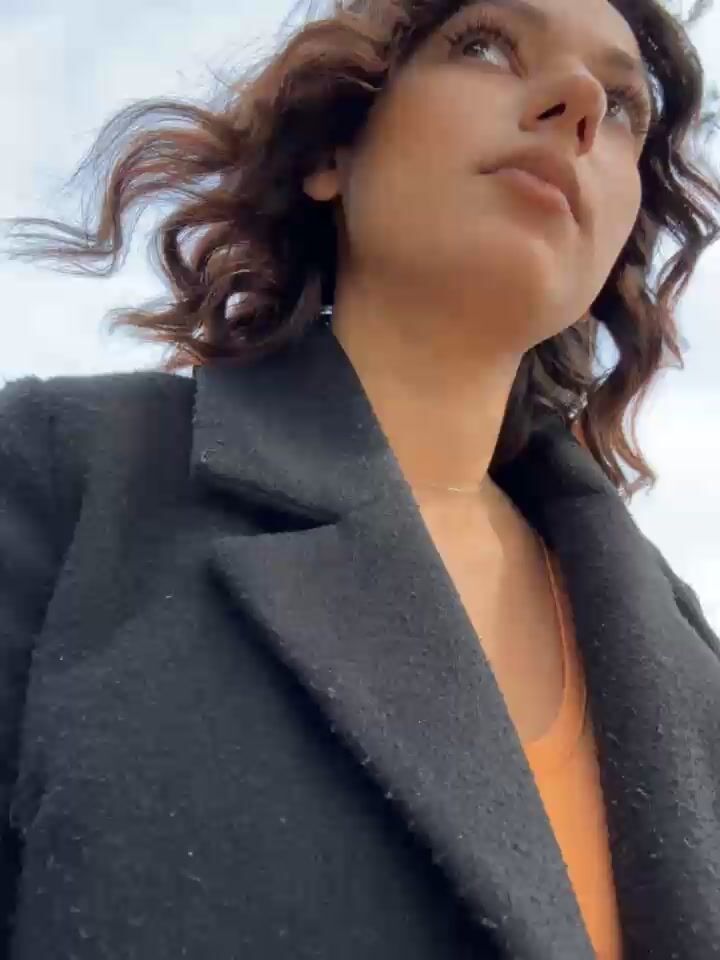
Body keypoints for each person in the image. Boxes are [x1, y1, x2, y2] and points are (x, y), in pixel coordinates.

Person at [2, 0, 720, 956]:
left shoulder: (687, 655)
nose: (580, 102)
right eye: (486, 45)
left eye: (623, 106)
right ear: (330, 154)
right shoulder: (62, 472)